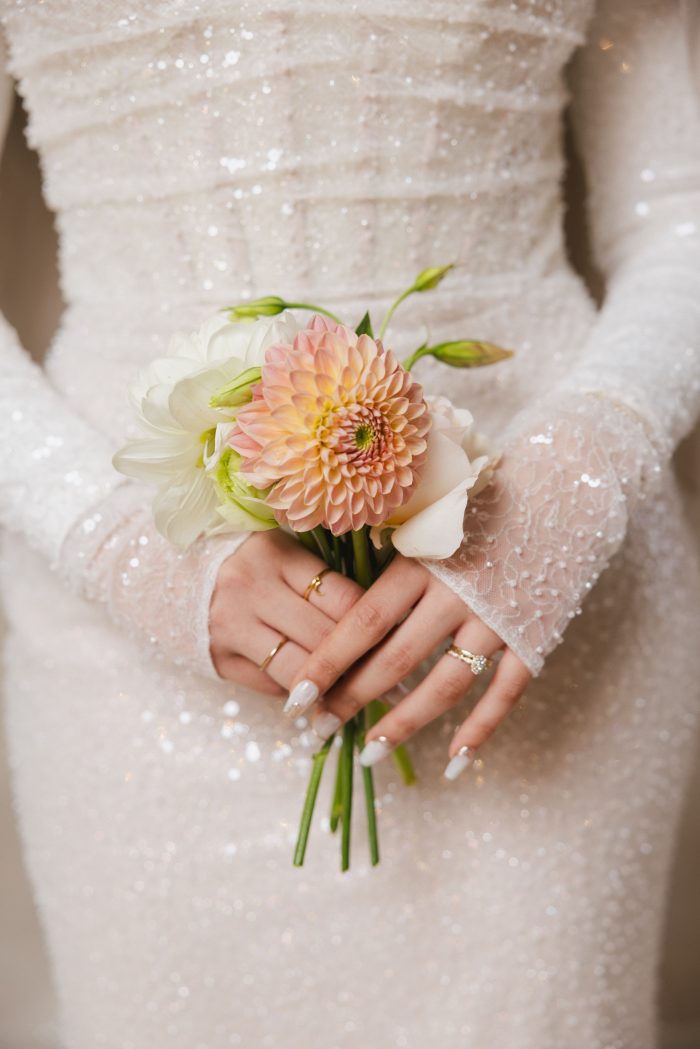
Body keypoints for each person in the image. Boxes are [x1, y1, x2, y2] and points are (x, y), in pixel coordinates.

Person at [1, 1, 699, 1046]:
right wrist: (118, 548)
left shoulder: (562, 518)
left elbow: (680, 216)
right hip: (130, 627)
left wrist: (571, 484)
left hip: (550, 616)